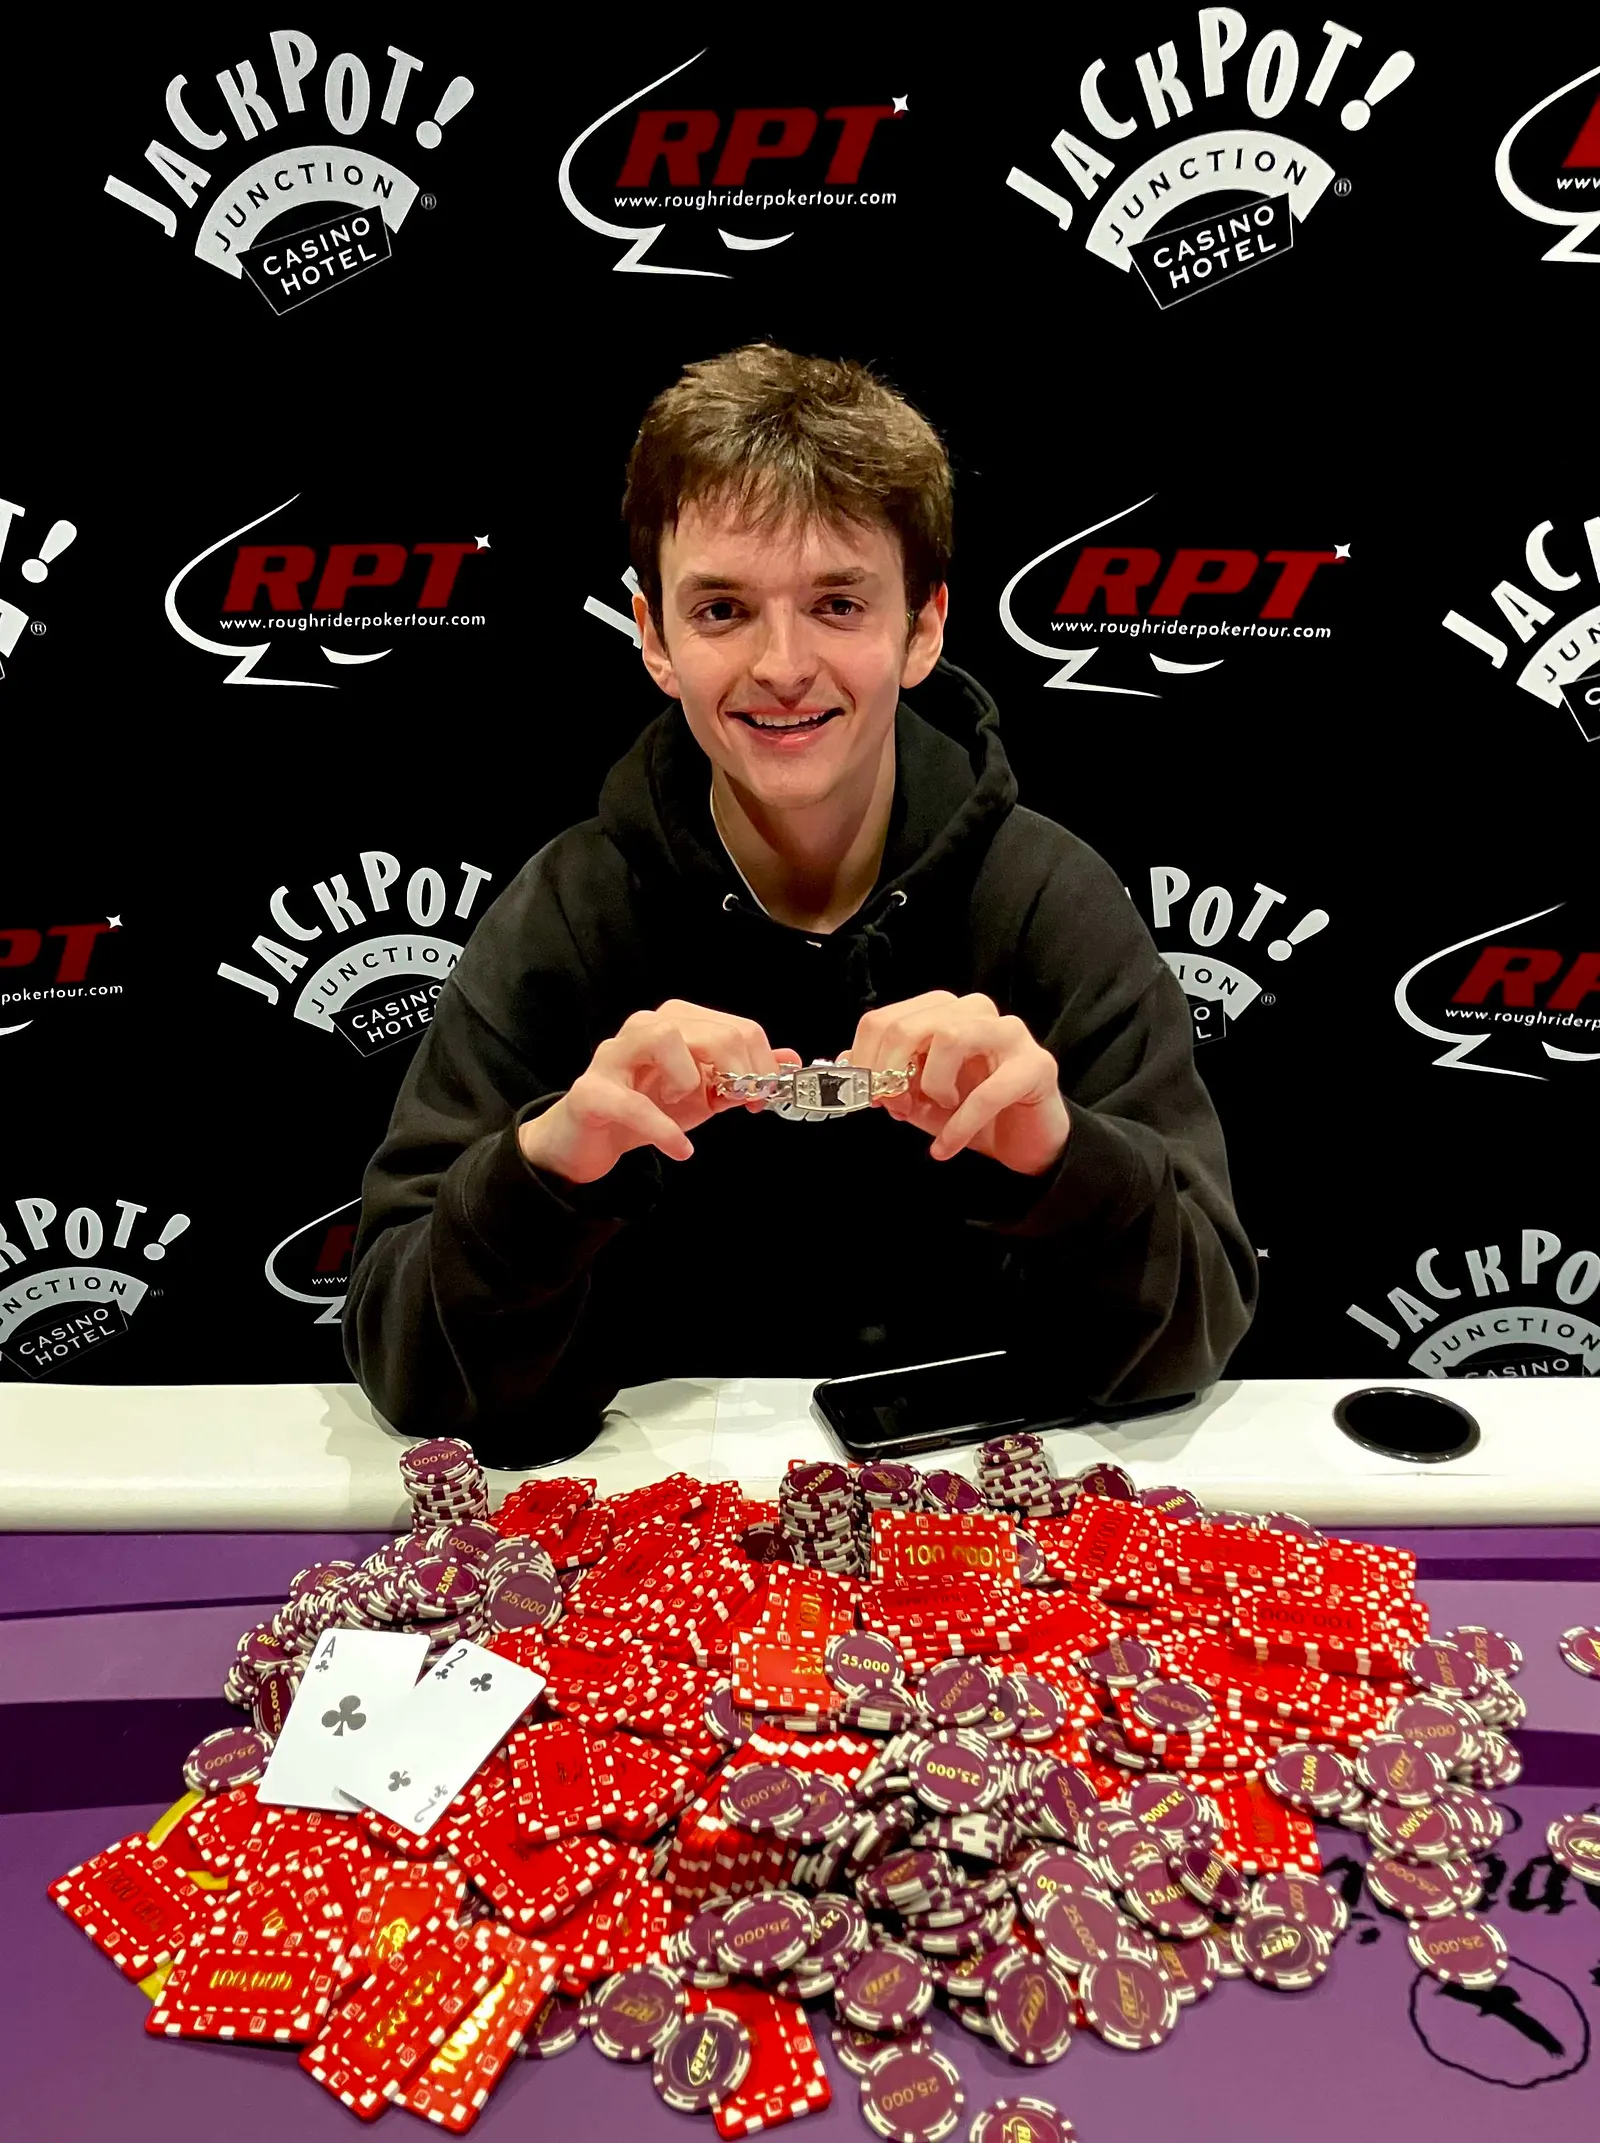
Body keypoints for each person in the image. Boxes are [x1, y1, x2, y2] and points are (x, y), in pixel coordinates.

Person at [345, 344, 1256, 1466]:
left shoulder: (1047, 901)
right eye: (723, 608)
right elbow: (409, 1373)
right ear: (653, 638)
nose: (783, 665)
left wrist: (1059, 1160)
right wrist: (549, 1169)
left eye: (837, 602)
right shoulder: (568, 916)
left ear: (922, 627)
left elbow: (1192, 1340)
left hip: (977, 1514)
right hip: (649, 1512)